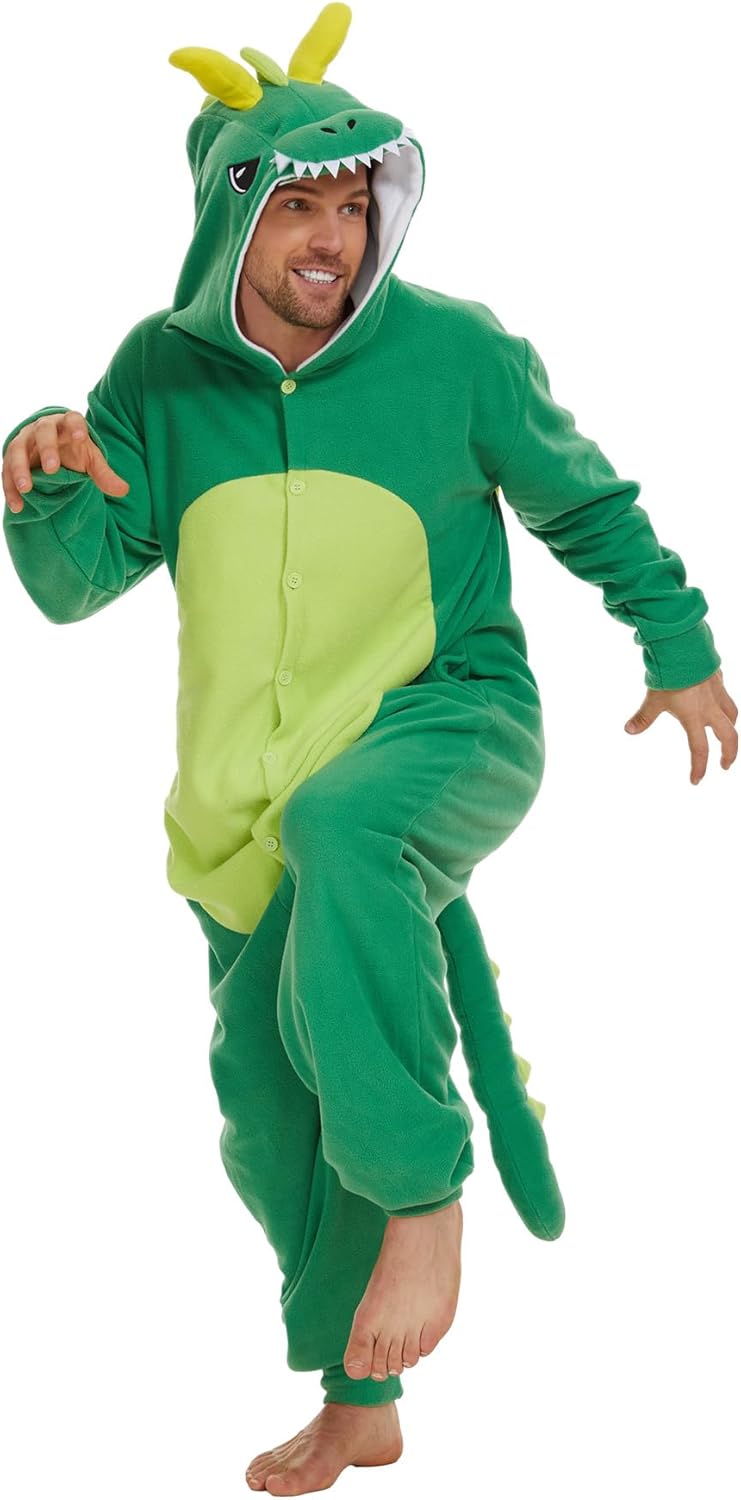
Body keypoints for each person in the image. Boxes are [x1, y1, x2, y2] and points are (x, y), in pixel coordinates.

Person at [2, 4, 737, 1494]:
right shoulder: (156, 375)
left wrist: (677, 648)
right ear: (232, 219)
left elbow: (584, 503)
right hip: (243, 795)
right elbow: (78, 587)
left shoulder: (457, 352)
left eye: (353, 205)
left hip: (447, 717)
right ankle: (360, 1400)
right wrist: (42, 466)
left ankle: (425, 1193)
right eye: (299, 207)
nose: (332, 237)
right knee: (273, 1117)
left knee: (348, 835)